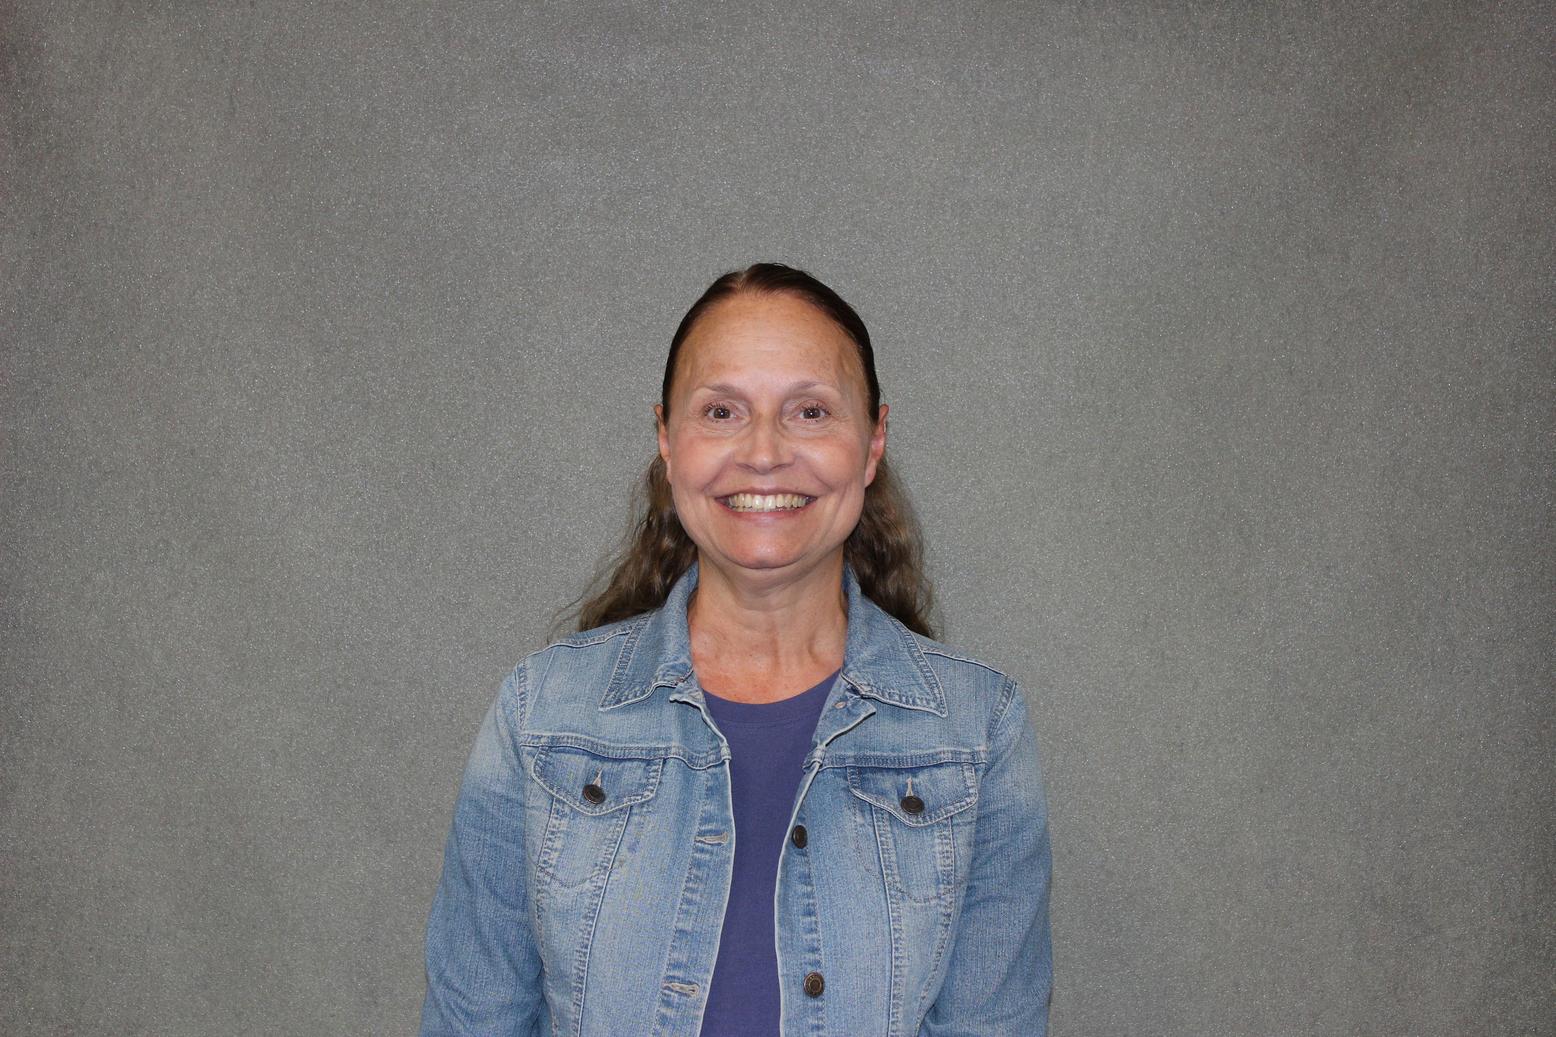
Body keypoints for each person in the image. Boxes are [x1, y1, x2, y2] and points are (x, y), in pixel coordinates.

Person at [420, 263, 1053, 1036]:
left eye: (810, 411)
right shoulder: (540, 715)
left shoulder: (979, 731)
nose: (763, 451)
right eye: (721, 411)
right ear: (667, 438)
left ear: (873, 442)